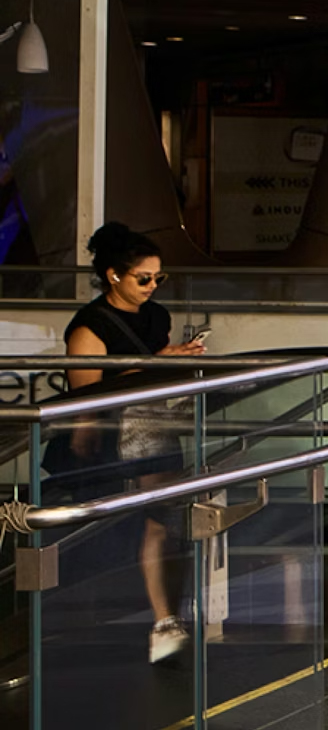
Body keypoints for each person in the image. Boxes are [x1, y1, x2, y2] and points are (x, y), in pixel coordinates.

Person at [64, 222, 206, 665]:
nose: (152, 286)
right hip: (115, 436)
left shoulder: (156, 316)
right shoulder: (90, 327)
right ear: (113, 276)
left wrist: (176, 361)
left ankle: (166, 618)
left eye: (158, 278)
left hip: (155, 425)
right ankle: (153, 620)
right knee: (143, 524)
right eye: (143, 278)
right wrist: (159, 361)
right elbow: (88, 395)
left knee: (164, 520)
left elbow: (152, 372)